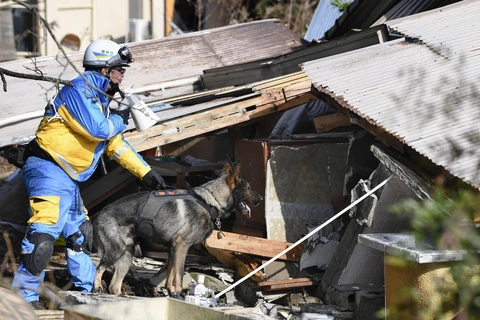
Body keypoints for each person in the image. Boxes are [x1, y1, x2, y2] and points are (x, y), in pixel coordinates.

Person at [11, 39, 166, 309]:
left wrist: (146, 172)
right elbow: (98, 130)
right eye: (119, 69)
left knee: (80, 234)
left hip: (68, 178)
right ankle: (23, 301)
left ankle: (85, 296)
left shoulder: (100, 101)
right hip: (48, 168)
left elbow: (114, 145)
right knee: (43, 235)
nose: (122, 75)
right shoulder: (79, 89)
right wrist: (122, 117)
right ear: (105, 68)